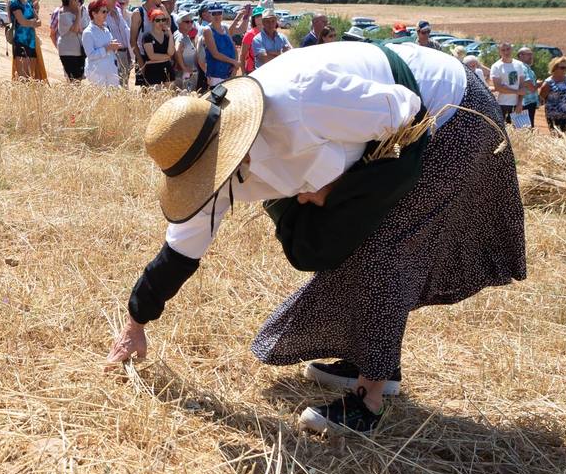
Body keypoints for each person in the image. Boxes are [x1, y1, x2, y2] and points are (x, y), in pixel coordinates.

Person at [104, 37, 524, 436]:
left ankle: (370, 398)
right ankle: (370, 358)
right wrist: (135, 324)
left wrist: (338, 190)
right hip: (399, 126)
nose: (215, 179)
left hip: (449, 114)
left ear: (234, 137)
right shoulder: (210, 169)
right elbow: (180, 249)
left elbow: (405, 113)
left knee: (385, 247)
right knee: (332, 242)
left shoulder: (303, 101)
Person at [50, 0, 89, 81]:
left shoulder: (85, 10)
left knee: (79, 79)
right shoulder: (62, 12)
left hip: (81, 50)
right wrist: (78, 12)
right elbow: (76, 28)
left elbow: (85, 29)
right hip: (68, 51)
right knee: (73, 80)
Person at [7, 0, 43, 81]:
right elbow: (22, 22)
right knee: (22, 77)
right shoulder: (14, 3)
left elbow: (39, 21)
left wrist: (31, 22)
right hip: (20, 42)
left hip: (31, 42)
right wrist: (32, 22)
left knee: (31, 77)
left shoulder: (28, 3)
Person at [97, 0, 132, 85]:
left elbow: (125, 31)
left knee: (124, 85)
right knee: (114, 86)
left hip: (125, 54)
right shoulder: (100, 15)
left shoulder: (117, 10)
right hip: (112, 55)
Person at [489, 42, 532, 126]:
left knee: (520, 131)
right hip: (502, 104)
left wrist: (519, 103)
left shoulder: (519, 65)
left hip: (518, 104)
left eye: (508, 49)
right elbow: (498, 88)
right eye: (503, 50)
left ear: (511, 49)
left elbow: (522, 86)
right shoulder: (496, 66)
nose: (506, 52)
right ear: (499, 52)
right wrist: (517, 91)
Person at [82, 0, 122, 87]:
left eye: (106, 11)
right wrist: (108, 48)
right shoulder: (88, 32)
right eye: (103, 12)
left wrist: (114, 47)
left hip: (111, 71)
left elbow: (111, 49)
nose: (106, 14)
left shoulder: (106, 29)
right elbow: (91, 55)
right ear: (94, 14)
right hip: (97, 73)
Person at [137, 7, 176, 88]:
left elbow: (171, 52)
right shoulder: (147, 36)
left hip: (167, 68)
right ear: (152, 21)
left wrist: (170, 34)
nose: (161, 22)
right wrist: (167, 57)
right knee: (155, 96)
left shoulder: (167, 35)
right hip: (153, 70)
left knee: (170, 95)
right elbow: (152, 56)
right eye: (157, 20)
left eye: (163, 20)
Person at [201, 3, 241, 83]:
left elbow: (233, 47)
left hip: (230, 71)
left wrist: (235, 66)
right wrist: (234, 62)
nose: (217, 16)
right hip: (216, 73)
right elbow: (215, 54)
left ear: (222, 14)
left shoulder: (225, 28)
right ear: (210, 15)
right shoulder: (207, 30)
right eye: (214, 13)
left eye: (219, 13)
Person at [540, 57, 566, 133]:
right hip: (555, 116)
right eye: (562, 67)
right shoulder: (549, 83)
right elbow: (541, 97)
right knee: (556, 138)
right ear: (555, 68)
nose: (565, 70)